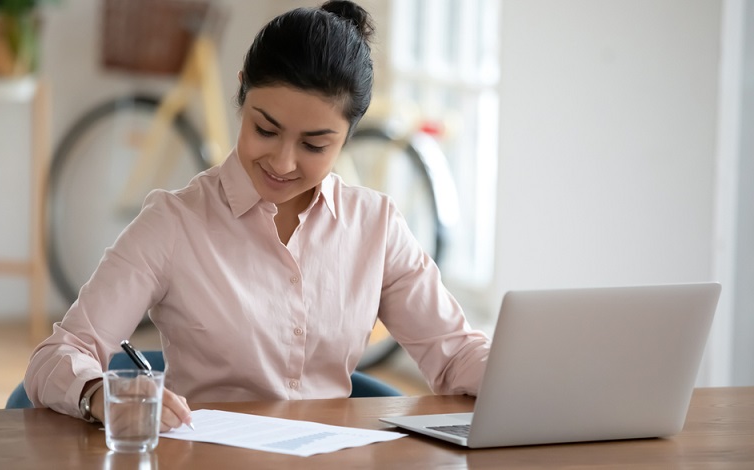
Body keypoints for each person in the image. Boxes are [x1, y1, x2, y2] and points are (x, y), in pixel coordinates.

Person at [24, 0, 490, 431]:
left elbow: (455, 354)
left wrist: (536, 378)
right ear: (242, 89)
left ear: (348, 135)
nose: (283, 162)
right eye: (265, 129)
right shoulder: (173, 223)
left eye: (314, 144)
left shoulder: (377, 226)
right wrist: (99, 394)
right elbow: (56, 358)